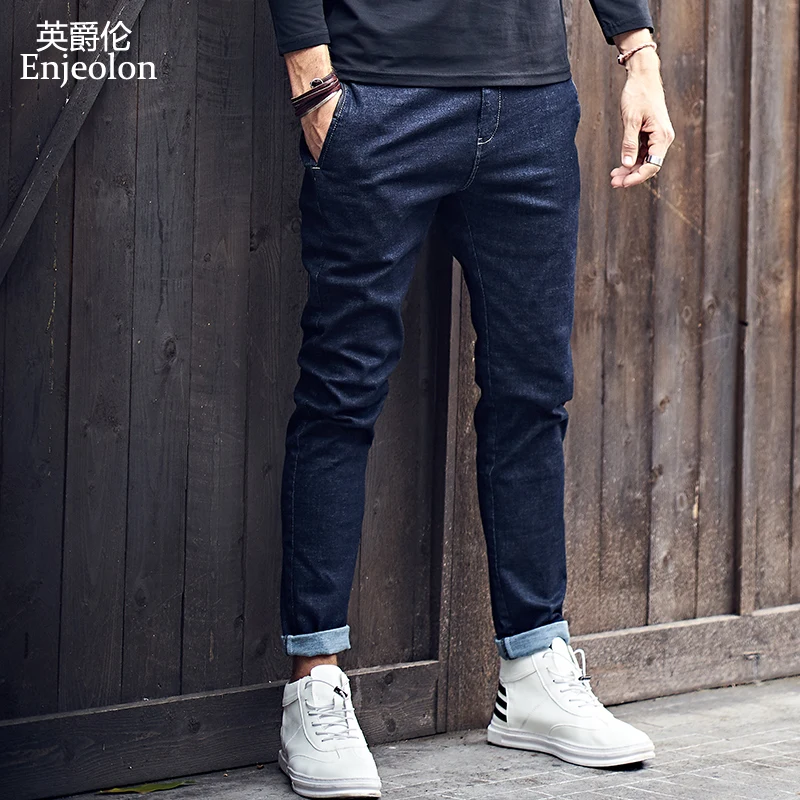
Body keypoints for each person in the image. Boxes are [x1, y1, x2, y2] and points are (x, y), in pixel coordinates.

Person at [266, 0, 675, 796]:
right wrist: (313, 85)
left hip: (531, 104)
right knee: (341, 392)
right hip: (380, 94)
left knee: (533, 392)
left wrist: (640, 53)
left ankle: (533, 668)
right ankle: (313, 681)